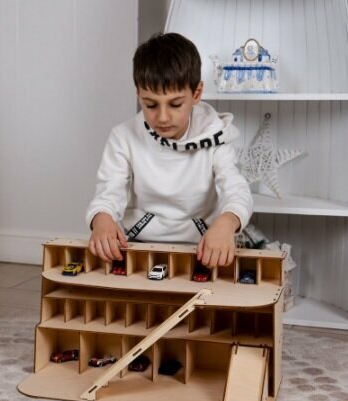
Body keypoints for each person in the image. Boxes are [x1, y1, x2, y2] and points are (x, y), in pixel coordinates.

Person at [86, 32, 253, 268]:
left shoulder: (217, 136)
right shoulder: (123, 136)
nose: (163, 117)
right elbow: (108, 192)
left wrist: (226, 223)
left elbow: (236, 190)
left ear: (196, 94)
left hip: (203, 247)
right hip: (139, 245)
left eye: (175, 104)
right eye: (150, 105)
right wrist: (102, 219)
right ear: (138, 94)